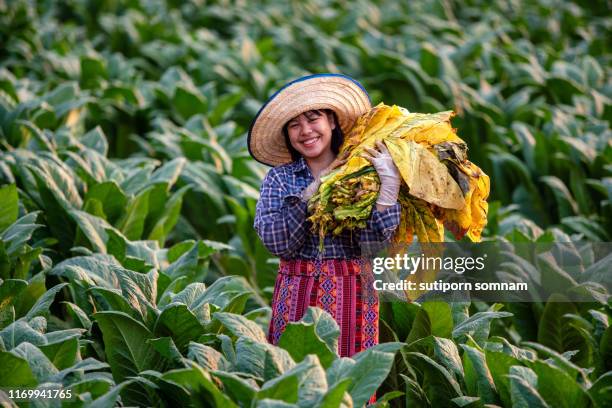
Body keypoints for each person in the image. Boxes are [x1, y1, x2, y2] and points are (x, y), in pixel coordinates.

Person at [248, 74, 401, 399]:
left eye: (313, 118)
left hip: (355, 297)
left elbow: (376, 248)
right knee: (294, 388)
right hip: (297, 297)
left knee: (350, 391)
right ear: (287, 136)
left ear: (331, 120)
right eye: (294, 125)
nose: (305, 131)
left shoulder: (365, 172)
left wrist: (387, 193)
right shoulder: (279, 180)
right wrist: (309, 196)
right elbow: (277, 243)